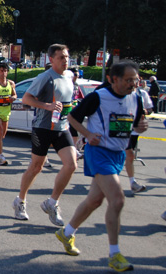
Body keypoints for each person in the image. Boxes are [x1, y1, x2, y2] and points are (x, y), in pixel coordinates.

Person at [56, 61, 147, 272]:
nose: (132, 84)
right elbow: (72, 117)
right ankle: (114, 254)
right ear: (113, 79)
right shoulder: (99, 97)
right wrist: (87, 135)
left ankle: (66, 233)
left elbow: (136, 124)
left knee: (95, 200)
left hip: (118, 155)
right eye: (128, 80)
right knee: (117, 199)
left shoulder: (136, 97)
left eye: (135, 80)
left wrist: (141, 126)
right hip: (99, 152)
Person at [12, 44, 76, 226]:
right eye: (61, 57)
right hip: (43, 127)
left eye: (67, 57)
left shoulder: (69, 77)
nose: (65, 60)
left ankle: (52, 203)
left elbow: (66, 101)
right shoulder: (45, 77)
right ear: (52, 59)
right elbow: (26, 99)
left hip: (61, 128)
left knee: (71, 165)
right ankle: (20, 201)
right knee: (36, 167)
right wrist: (47, 106)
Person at [124, 81, 153, 194]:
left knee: (129, 155)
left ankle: (132, 183)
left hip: (133, 131)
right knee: (127, 155)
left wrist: (144, 113)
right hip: (119, 130)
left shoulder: (141, 94)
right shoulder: (119, 94)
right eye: (130, 79)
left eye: (136, 80)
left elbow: (150, 109)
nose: (134, 82)